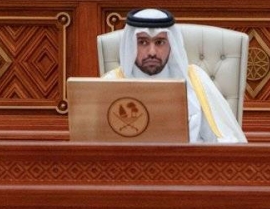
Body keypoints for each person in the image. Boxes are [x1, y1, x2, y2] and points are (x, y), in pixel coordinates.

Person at [104, 8, 247, 143]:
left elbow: (223, 139)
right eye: (143, 42)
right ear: (130, 45)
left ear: (171, 45)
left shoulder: (194, 80)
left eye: (160, 42)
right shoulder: (111, 84)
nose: (152, 52)